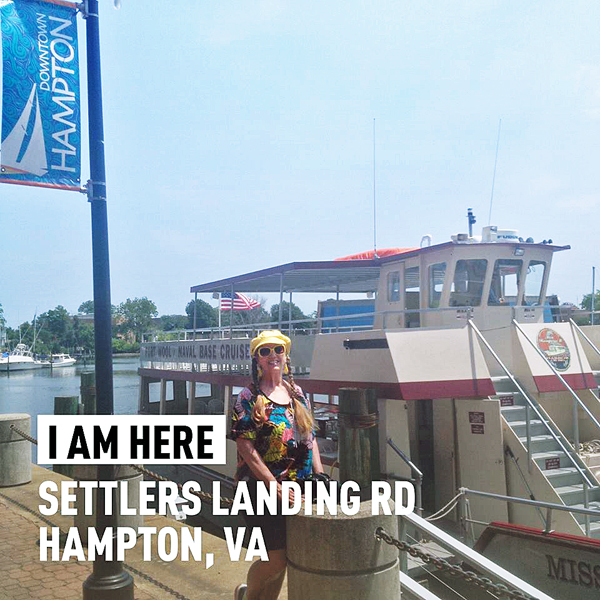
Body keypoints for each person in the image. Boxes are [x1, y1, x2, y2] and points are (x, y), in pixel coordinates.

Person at [230, 330, 326, 600]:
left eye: (278, 350)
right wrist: (274, 487)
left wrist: (320, 475)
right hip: (259, 489)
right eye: (265, 351)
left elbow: (310, 437)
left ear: (286, 355)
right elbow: (245, 447)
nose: (272, 355)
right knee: (275, 559)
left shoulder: (297, 393)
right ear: (257, 360)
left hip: (299, 488)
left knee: (288, 554)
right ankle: (247, 596)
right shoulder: (247, 397)